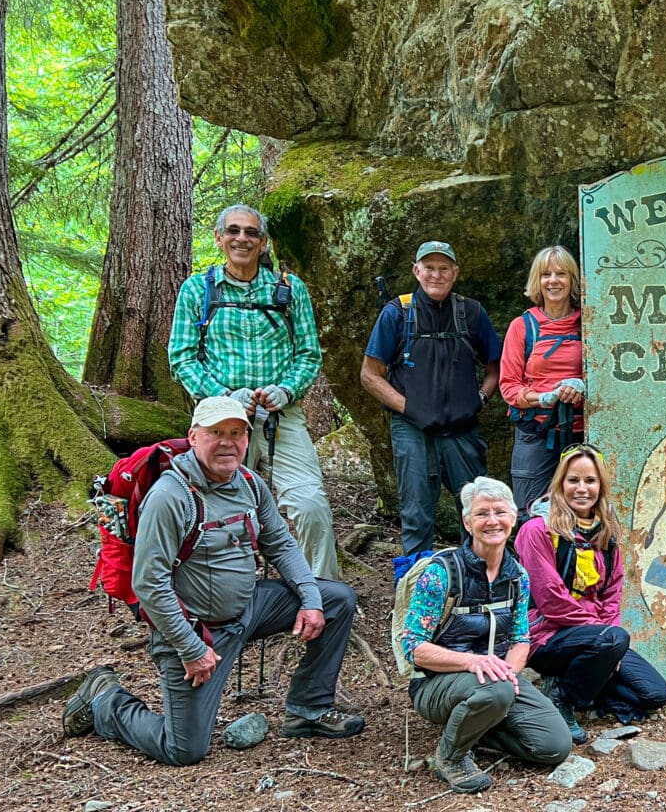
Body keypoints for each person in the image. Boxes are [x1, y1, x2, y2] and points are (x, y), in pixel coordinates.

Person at [63, 397, 365, 763]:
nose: (228, 442)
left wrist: (311, 600)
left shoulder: (250, 483)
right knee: (183, 749)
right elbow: (149, 585)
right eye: (216, 433)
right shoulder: (170, 496)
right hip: (196, 630)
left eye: (237, 433)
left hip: (250, 609)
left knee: (336, 599)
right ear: (193, 437)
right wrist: (192, 650)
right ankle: (105, 701)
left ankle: (308, 709)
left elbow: (282, 545)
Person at [167, 205, 340, 579]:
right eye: (233, 231)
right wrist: (224, 397)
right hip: (220, 422)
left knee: (310, 503)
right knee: (219, 509)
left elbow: (309, 354)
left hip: (282, 417)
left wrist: (287, 390)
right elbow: (181, 358)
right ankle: (227, 594)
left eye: (251, 233)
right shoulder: (198, 289)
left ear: (263, 243)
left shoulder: (289, 290)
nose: (241, 239)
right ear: (219, 238)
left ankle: (325, 595)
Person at [399, 477, 572, 793]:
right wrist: (472, 663)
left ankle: (474, 726)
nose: (492, 521)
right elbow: (413, 646)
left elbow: (521, 637)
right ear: (467, 522)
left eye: (500, 512)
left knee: (555, 746)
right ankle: (450, 757)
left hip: (496, 682)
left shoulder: (517, 575)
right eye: (482, 514)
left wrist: (508, 672)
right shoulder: (442, 573)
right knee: (495, 689)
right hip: (436, 684)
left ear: (513, 518)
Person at [514, 444, 666, 744]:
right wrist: (606, 637)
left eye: (590, 480)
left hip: (597, 637)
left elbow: (613, 591)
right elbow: (550, 598)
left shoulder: (605, 532)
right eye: (573, 480)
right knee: (614, 640)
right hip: (548, 635)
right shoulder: (537, 530)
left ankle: (582, 685)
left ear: (601, 486)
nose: (581, 488)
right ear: (560, 483)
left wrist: (609, 642)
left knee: (653, 694)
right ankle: (562, 699)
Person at [361, 240, 504, 556]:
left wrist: (479, 399)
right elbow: (370, 375)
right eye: (429, 268)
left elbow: (496, 369)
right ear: (416, 271)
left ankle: (479, 584)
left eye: (443, 269)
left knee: (478, 511)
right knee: (415, 515)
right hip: (412, 429)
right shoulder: (397, 313)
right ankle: (414, 592)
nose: (436, 275)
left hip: (463, 430)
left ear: (455, 273)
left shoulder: (471, 312)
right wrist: (409, 408)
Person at [500, 246, 585, 514]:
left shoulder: (589, 323)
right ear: (537, 280)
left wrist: (581, 387)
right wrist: (545, 397)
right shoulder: (523, 326)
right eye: (546, 274)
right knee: (530, 513)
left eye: (561, 274)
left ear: (572, 279)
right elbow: (508, 385)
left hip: (581, 434)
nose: (553, 281)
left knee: (583, 516)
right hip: (535, 433)